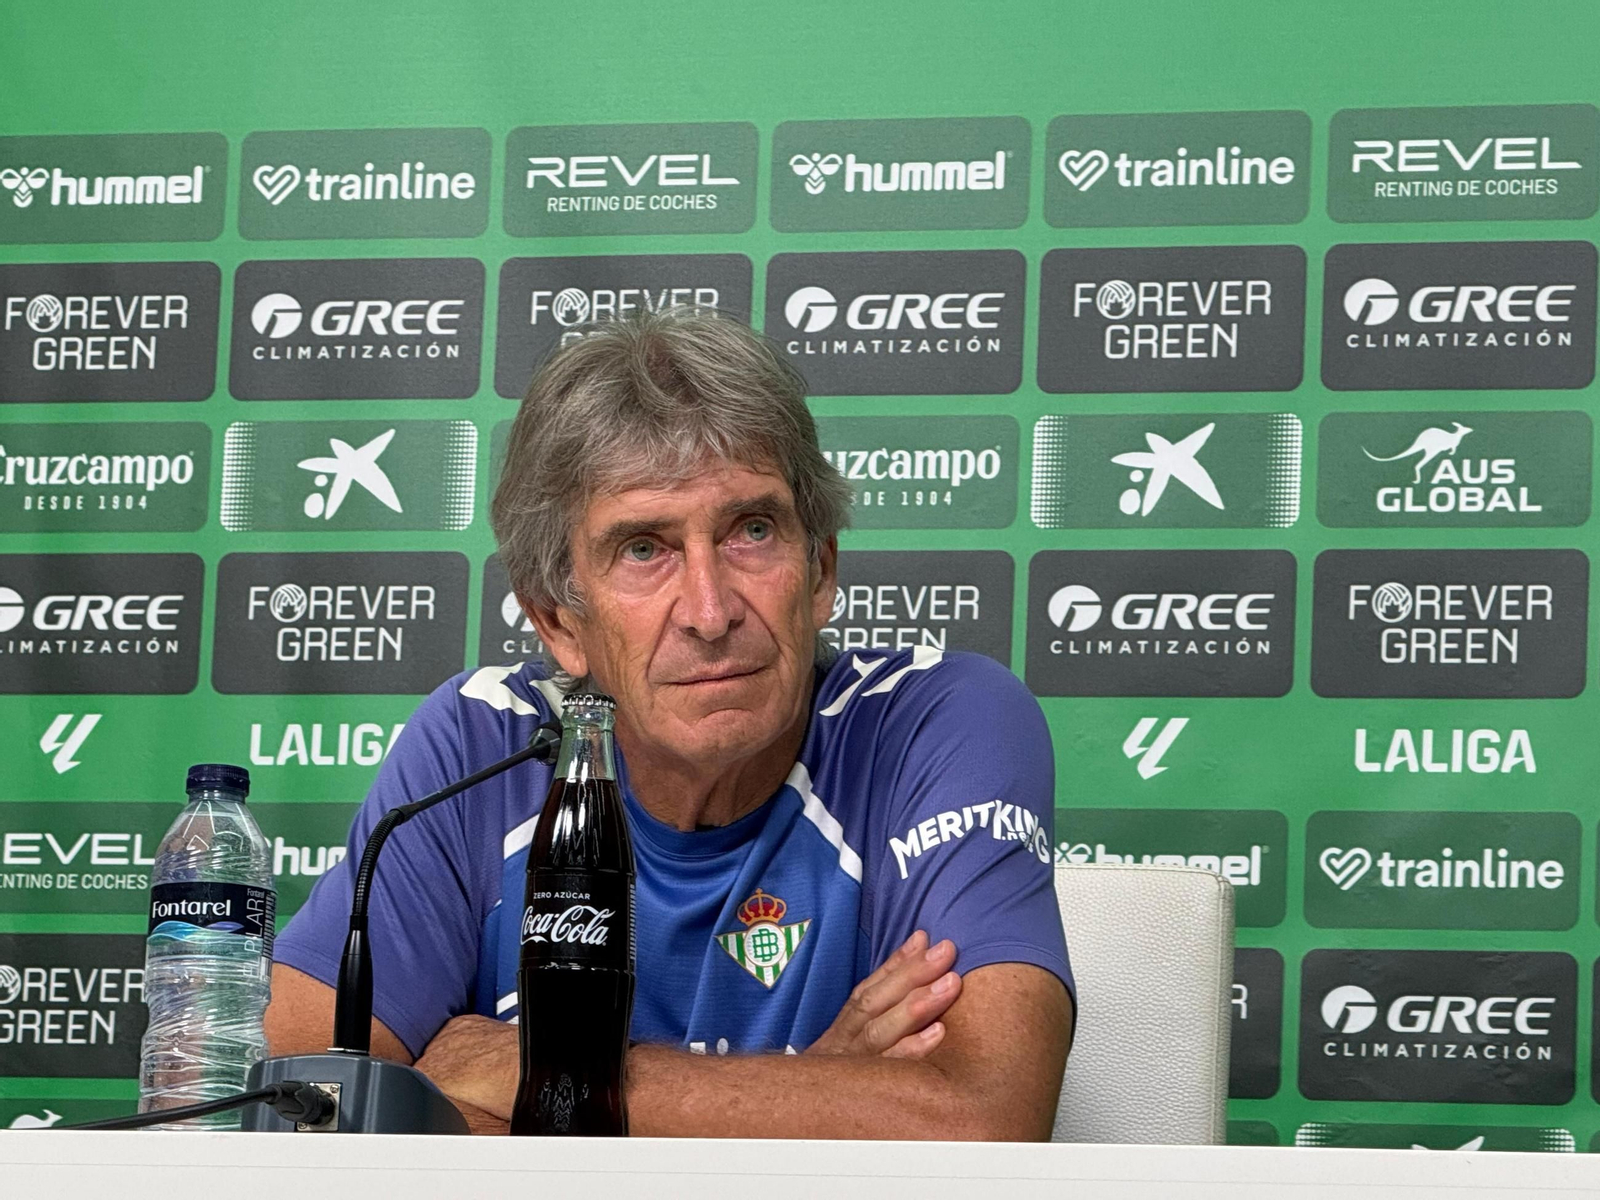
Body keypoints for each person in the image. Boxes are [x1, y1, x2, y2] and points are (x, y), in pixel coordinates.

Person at [266, 310, 1074, 1138]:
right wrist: (819, 1092)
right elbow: (302, 1113)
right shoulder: (481, 743)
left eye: (751, 532)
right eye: (644, 549)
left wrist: (538, 1075)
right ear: (558, 620)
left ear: (821, 569)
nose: (711, 610)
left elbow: (985, 1115)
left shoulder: (938, 720)